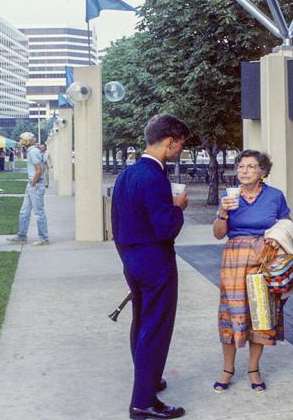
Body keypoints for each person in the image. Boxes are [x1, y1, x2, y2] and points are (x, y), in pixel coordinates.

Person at [112, 114, 190, 419]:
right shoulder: (155, 177)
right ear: (169, 141)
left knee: (142, 322)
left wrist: (128, 258)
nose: (180, 150)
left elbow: (116, 223)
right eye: (180, 144)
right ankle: (143, 401)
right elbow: (165, 229)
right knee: (155, 327)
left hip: (131, 258)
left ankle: (149, 379)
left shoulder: (126, 175)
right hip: (155, 261)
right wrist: (178, 208)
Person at [212, 150, 291, 395]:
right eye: (241, 166)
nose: (244, 171)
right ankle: (227, 369)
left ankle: (253, 369)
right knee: (231, 312)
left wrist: (277, 242)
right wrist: (223, 212)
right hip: (234, 258)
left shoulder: (275, 196)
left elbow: (286, 225)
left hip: (263, 259)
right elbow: (218, 233)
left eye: (251, 167)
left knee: (261, 313)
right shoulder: (228, 196)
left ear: (263, 172)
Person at [8, 132, 49, 246]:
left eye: (21, 139)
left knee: (39, 213)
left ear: (26, 141)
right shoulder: (32, 151)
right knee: (24, 212)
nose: (20, 141)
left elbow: (39, 170)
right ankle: (21, 236)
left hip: (35, 185)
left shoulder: (33, 152)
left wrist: (33, 182)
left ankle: (44, 238)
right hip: (32, 184)